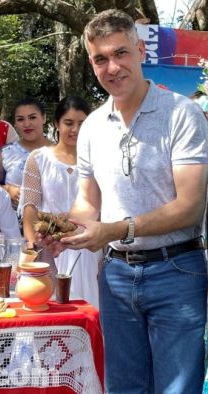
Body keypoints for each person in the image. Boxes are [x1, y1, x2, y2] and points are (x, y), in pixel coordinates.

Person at [43, 10, 208, 392]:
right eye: (101, 59)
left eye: (120, 53)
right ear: (91, 63)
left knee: (176, 389)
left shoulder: (181, 115)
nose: (112, 67)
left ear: (139, 51)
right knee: (124, 388)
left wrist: (119, 229)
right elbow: (88, 201)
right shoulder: (92, 127)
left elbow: (190, 206)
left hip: (177, 272)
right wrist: (66, 230)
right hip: (116, 276)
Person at [19, 96, 99, 307]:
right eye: (69, 123)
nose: (75, 130)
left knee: (90, 311)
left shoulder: (98, 161)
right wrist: (32, 248)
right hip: (48, 247)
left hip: (89, 248)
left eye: (82, 124)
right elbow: (30, 207)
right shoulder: (39, 158)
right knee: (50, 312)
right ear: (56, 124)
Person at [0, 97, 52, 209]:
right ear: (15, 124)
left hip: (55, 221)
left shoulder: (60, 152)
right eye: (20, 119)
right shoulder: (7, 153)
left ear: (44, 118)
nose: (27, 124)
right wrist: (7, 189)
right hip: (13, 222)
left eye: (32, 117)